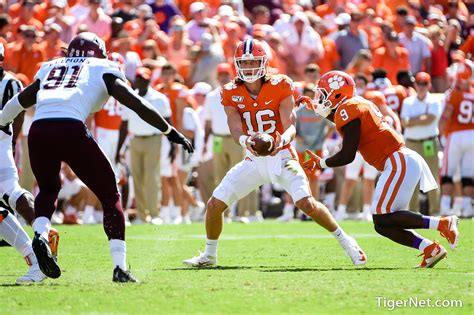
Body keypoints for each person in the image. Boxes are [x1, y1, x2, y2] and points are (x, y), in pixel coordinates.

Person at [0, 32, 193, 283]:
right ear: (98, 52)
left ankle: (40, 235)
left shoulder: (50, 66)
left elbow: (18, 103)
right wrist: (169, 130)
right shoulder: (103, 66)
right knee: (110, 193)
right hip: (70, 127)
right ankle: (120, 267)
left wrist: (2, 122)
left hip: (38, 130)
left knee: (47, 190)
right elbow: (135, 102)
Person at [183, 39, 366, 268]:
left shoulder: (281, 84)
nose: (249, 68)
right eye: (244, 63)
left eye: (253, 62)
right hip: (253, 158)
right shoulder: (230, 91)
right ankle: (209, 256)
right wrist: (245, 140)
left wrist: (279, 139)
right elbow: (234, 124)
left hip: (283, 156)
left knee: (307, 204)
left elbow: (290, 123)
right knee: (214, 205)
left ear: (264, 63)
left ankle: (347, 242)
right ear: (237, 65)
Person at [300, 70, 458, 268]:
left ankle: (443, 223)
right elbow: (344, 122)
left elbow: (347, 154)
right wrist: (316, 107)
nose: (320, 99)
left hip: (398, 161)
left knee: (383, 216)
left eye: (323, 94)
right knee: (382, 223)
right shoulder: (353, 105)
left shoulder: (348, 108)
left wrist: (321, 163)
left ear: (337, 93)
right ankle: (430, 249)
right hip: (400, 161)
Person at [0, 42, 47, 283]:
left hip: (2, 141)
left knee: (10, 195)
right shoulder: (11, 82)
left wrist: (12, 139)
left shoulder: (11, 82)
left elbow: (18, 113)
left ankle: (38, 251)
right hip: (3, 144)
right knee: (11, 193)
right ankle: (42, 235)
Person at [400, 72, 442, 215]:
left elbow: (430, 119)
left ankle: (435, 212)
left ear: (429, 85)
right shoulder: (408, 101)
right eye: (419, 83)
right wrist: (421, 118)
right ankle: (413, 212)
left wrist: (412, 121)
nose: (422, 86)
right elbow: (404, 122)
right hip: (411, 143)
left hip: (429, 142)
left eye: (425, 83)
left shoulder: (434, 101)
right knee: (412, 178)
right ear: (415, 84)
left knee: (432, 178)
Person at [438, 61, 474, 217]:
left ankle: (445, 206)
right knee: (468, 174)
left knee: (448, 172)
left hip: (456, 135)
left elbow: (446, 116)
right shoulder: (472, 95)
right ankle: (467, 207)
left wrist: (440, 132)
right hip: (472, 134)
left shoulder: (455, 94)